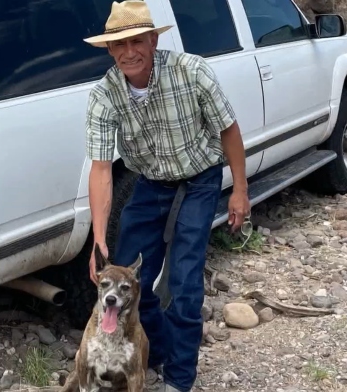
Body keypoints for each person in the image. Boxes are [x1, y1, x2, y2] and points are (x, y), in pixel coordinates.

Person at [82, 1, 251, 391]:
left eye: (137, 41)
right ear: (109, 49)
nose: (129, 52)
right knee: (125, 274)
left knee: (185, 281)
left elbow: (229, 129)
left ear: (154, 39)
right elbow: (102, 169)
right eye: (119, 45)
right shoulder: (104, 95)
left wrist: (239, 191)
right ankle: (152, 350)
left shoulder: (191, 71)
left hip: (199, 178)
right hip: (151, 181)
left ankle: (179, 378)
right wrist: (98, 238)